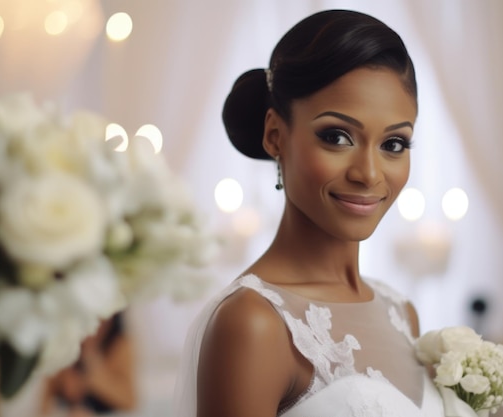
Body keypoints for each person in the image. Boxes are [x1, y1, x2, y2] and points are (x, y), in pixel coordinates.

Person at [174, 9, 445, 417]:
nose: (368, 174)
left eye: (393, 144)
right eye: (337, 136)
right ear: (274, 135)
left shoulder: (402, 312)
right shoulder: (254, 323)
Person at [40, 313, 136, 417]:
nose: (96, 326)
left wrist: (94, 372)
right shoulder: (64, 347)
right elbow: (45, 404)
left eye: (102, 320)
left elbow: (129, 401)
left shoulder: (120, 346)